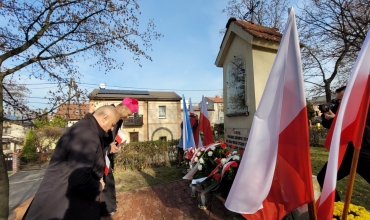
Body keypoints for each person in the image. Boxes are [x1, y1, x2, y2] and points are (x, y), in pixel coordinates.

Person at [23, 105, 120, 220]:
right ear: (105, 118)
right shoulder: (87, 134)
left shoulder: (84, 128)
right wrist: (98, 185)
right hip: (61, 208)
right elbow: (79, 180)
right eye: (113, 124)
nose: (112, 129)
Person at [317, 86, 370, 202]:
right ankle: (336, 208)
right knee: (324, 178)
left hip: (364, 153)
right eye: (337, 100)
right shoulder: (342, 108)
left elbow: (365, 132)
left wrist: (339, 120)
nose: (338, 103)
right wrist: (328, 119)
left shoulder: (366, 106)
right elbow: (329, 126)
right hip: (346, 153)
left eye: (341, 100)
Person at [100, 98, 139, 216]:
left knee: (109, 179)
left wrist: (117, 144)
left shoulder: (119, 118)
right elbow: (96, 137)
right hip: (100, 154)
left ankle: (110, 203)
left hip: (107, 153)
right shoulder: (107, 113)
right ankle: (106, 207)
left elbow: (113, 134)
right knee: (105, 180)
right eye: (128, 114)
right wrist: (107, 146)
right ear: (122, 108)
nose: (127, 118)